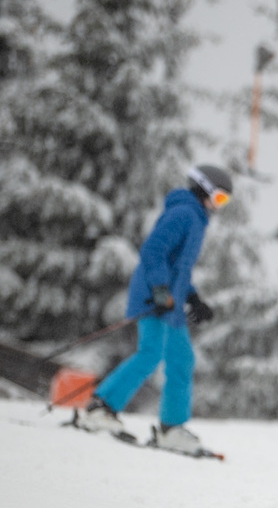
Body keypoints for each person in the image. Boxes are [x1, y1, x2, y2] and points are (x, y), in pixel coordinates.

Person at [79, 164, 232, 455]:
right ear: (204, 189)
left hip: (169, 303)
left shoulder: (196, 219)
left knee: (182, 359)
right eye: (220, 198)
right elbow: (153, 252)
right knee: (151, 354)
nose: (220, 206)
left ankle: (170, 429)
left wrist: (194, 299)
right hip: (154, 298)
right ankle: (101, 408)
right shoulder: (184, 213)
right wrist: (161, 292)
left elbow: (179, 268)